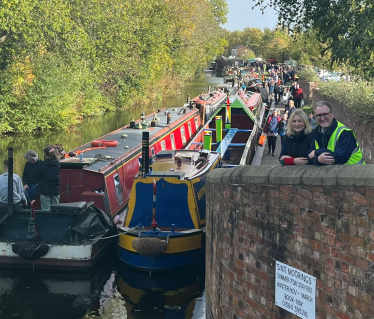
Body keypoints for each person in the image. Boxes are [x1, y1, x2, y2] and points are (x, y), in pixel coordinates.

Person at [308, 101, 365, 165]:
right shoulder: (315, 133)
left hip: (355, 172)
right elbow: (310, 156)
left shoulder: (345, 133)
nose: (322, 118)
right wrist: (318, 160)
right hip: (335, 172)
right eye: (319, 115)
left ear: (332, 114)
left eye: (325, 114)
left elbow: (340, 158)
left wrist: (317, 152)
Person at [35, 145, 61, 211]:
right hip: (55, 189)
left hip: (45, 189)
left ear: (45, 155)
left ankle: (47, 221)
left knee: (46, 209)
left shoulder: (42, 165)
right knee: (56, 209)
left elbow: (37, 176)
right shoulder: (57, 164)